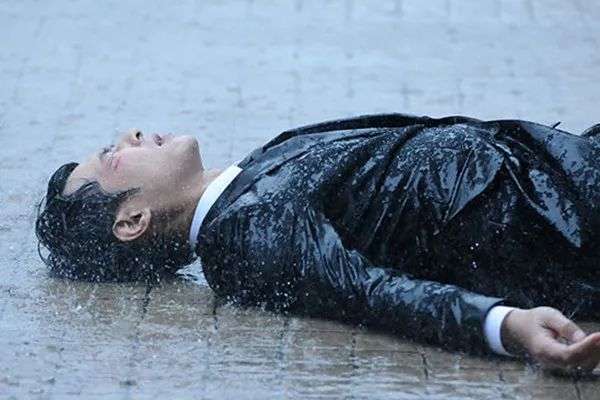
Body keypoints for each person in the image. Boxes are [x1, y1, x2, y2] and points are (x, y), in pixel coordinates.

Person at [35, 113, 600, 373]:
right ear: (132, 220)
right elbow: (369, 293)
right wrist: (506, 326)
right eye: (113, 157)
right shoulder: (243, 238)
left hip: (554, 164)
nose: (130, 134)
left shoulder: (250, 174)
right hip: (556, 218)